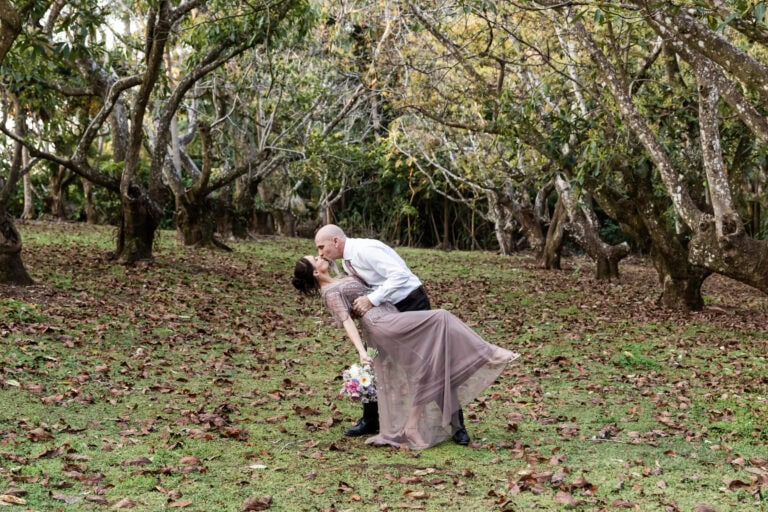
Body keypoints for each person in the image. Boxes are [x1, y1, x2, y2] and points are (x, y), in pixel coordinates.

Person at [292, 255, 520, 450]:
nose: (321, 256)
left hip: (391, 316)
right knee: (441, 316)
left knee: (425, 368)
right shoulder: (330, 292)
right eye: (316, 258)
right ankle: (488, 353)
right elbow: (346, 322)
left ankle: (411, 426)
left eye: (320, 252)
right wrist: (362, 352)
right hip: (381, 323)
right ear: (314, 273)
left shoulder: (340, 277)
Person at [313, 225, 436, 439]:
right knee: (372, 363)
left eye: (321, 247)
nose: (320, 253)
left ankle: (456, 424)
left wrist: (372, 299)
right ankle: (371, 419)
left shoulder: (365, 250)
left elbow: (400, 275)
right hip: (384, 318)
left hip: (412, 304)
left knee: (424, 364)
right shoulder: (347, 262)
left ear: (335, 241)